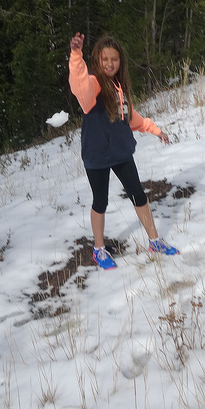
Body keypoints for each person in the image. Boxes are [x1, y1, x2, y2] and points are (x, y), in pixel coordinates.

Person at [69, 32, 179, 270]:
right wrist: (76, 55)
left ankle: (154, 241)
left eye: (114, 59)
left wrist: (154, 130)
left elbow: (130, 117)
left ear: (121, 62)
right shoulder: (94, 85)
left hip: (120, 152)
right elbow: (79, 87)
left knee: (138, 195)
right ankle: (98, 250)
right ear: (97, 60)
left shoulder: (118, 87)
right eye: (105, 59)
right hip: (97, 154)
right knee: (101, 200)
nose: (109, 64)